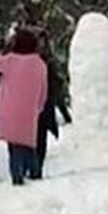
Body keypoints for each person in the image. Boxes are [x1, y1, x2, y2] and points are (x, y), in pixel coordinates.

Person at [0, 29, 49, 186]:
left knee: (14, 146)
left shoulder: (10, 61)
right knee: (29, 144)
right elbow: (44, 89)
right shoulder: (40, 64)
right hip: (30, 112)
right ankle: (35, 174)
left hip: (10, 111)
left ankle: (17, 178)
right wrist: (39, 107)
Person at [35, 33, 73, 179]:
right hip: (41, 102)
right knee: (38, 136)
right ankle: (35, 167)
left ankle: (35, 166)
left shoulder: (46, 60)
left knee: (39, 135)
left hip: (43, 101)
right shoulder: (41, 60)